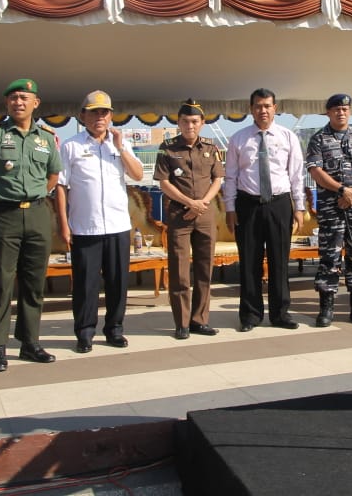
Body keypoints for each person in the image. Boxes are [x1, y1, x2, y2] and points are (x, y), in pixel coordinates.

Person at [0, 79, 62, 372]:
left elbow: (53, 175)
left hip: (37, 214)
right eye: (13, 98)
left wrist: (37, 195)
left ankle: (30, 343)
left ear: (36, 103)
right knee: (1, 283)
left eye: (24, 97)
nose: (18, 102)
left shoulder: (46, 139)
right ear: (7, 103)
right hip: (3, 215)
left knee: (34, 283)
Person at [57, 90, 144, 352]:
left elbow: (138, 174)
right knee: (86, 285)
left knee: (118, 282)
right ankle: (85, 333)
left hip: (117, 225)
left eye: (104, 112)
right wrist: (63, 224)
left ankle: (115, 329)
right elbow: (61, 186)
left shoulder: (119, 144)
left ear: (111, 116)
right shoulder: (71, 146)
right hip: (85, 227)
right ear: (82, 116)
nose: (99, 117)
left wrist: (120, 147)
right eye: (94, 112)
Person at [224, 88, 306, 332]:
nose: (263, 110)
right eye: (258, 106)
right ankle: (250, 315)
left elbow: (296, 175)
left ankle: (280, 314)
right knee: (250, 261)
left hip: (279, 204)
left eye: (267, 106)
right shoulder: (238, 139)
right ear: (251, 109)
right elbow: (230, 177)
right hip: (247, 204)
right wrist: (230, 208)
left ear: (275, 108)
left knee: (279, 261)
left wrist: (299, 207)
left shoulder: (288, 137)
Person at [306, 93, 352, 327]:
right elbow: (316, 171)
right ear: (328, 112)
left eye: (345, 109)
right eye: (336, 109)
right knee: (330, 256)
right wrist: (341, 190)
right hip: (331, 207)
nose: (341, 112)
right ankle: (326, 307)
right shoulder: (318, 139)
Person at [155, 99, 224, 340]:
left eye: (194, 121)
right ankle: (182, 322)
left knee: (205, 270)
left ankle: (199, 320)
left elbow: (218, 179)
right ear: (178, 122)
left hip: (205, 215)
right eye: (185, 121)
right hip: (180, 215)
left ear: (202, 123)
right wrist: (190, 203)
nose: (190, 126)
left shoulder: (211, 147)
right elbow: (164, 182)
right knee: (179, 272)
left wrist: (202, 203)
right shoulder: (167, 147)